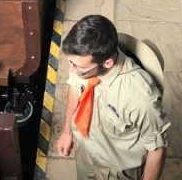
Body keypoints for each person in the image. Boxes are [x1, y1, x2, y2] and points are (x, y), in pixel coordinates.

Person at [57, 15, 168, 180]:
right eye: (70, 62)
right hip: (86, 154)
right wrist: (67, 132)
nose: (72, 71)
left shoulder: (140, 99)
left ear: (107, 63)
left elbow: (157, 148)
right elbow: (75, 90)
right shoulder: (85, 64)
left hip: (117, 172)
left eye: (78, 67)